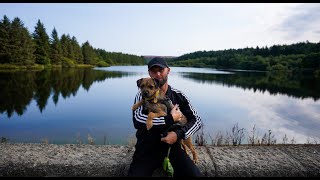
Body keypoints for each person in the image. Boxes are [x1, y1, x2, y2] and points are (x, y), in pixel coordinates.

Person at [128, 57, 203, 177]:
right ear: (149, 73)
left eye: (161, 70)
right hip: (146, 150)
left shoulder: (179, 95)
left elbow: (197, 121)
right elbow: (137, 121)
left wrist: (179, 134)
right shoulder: (141, 96)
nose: (158, 74)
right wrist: (169, 119)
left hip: (173, 149)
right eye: (153, 71)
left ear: (168, 70)